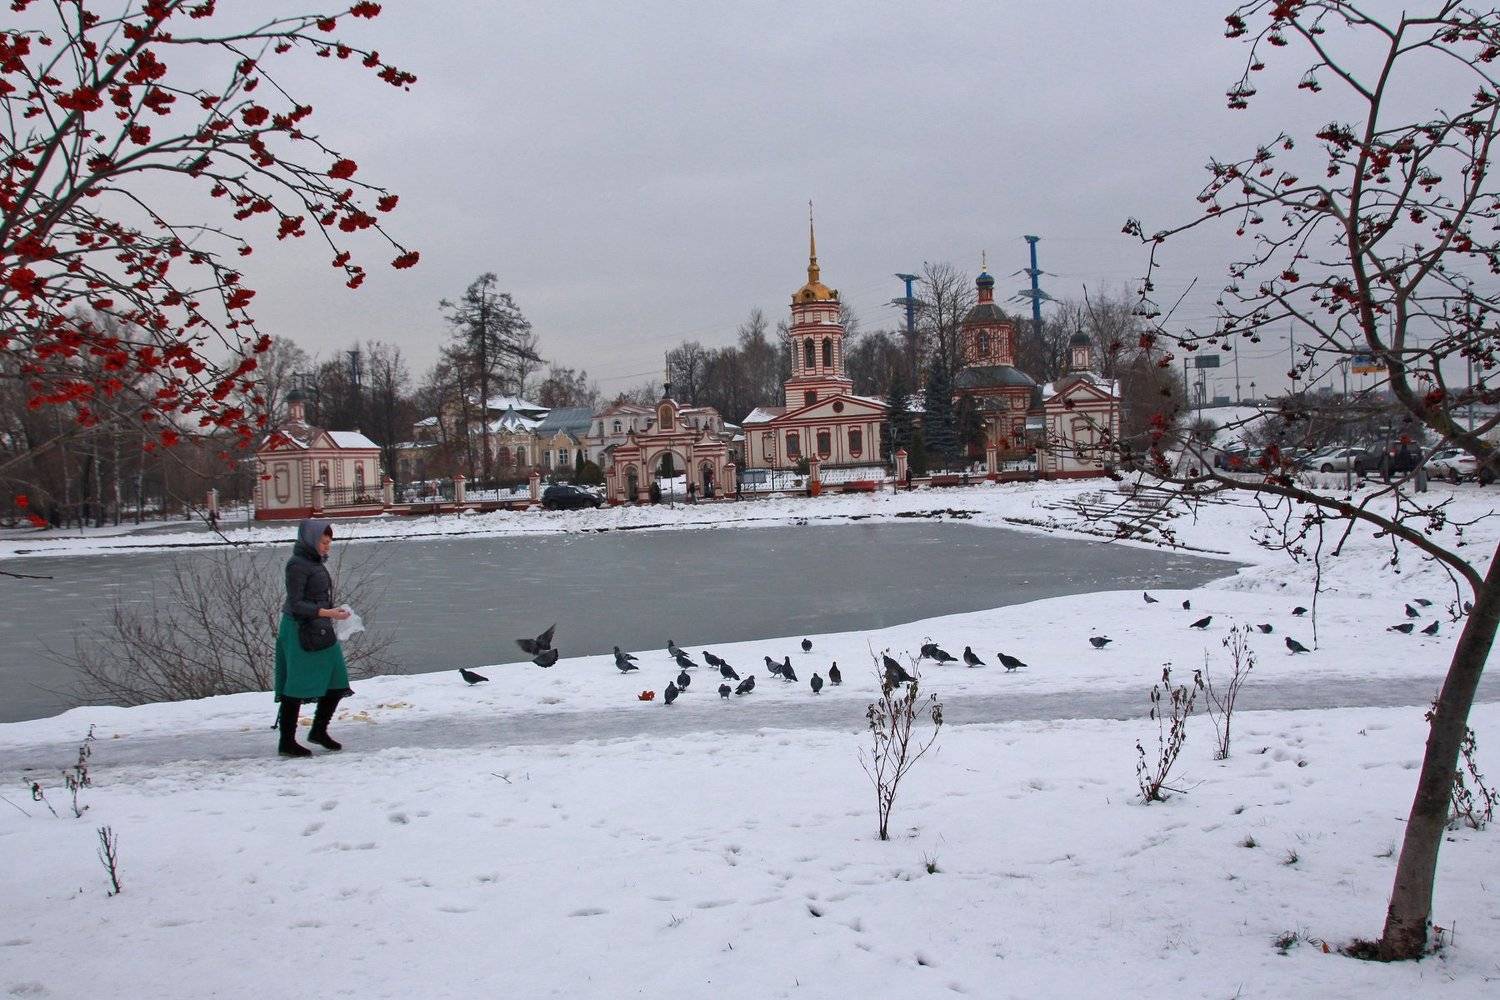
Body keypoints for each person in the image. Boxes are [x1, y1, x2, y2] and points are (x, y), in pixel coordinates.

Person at [275, 518, 353, 757]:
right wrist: (329, 613)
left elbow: (317, 597)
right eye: (323, 542)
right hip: (298, 630)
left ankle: (319, 730)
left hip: (320, 627)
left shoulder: (315, 562)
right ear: (310, 540)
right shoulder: (297, 565)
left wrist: (332, 611)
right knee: (296, 685)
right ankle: (287, 742)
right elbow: (296, 604)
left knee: (337, 679)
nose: (327, 546)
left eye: (329, 542)